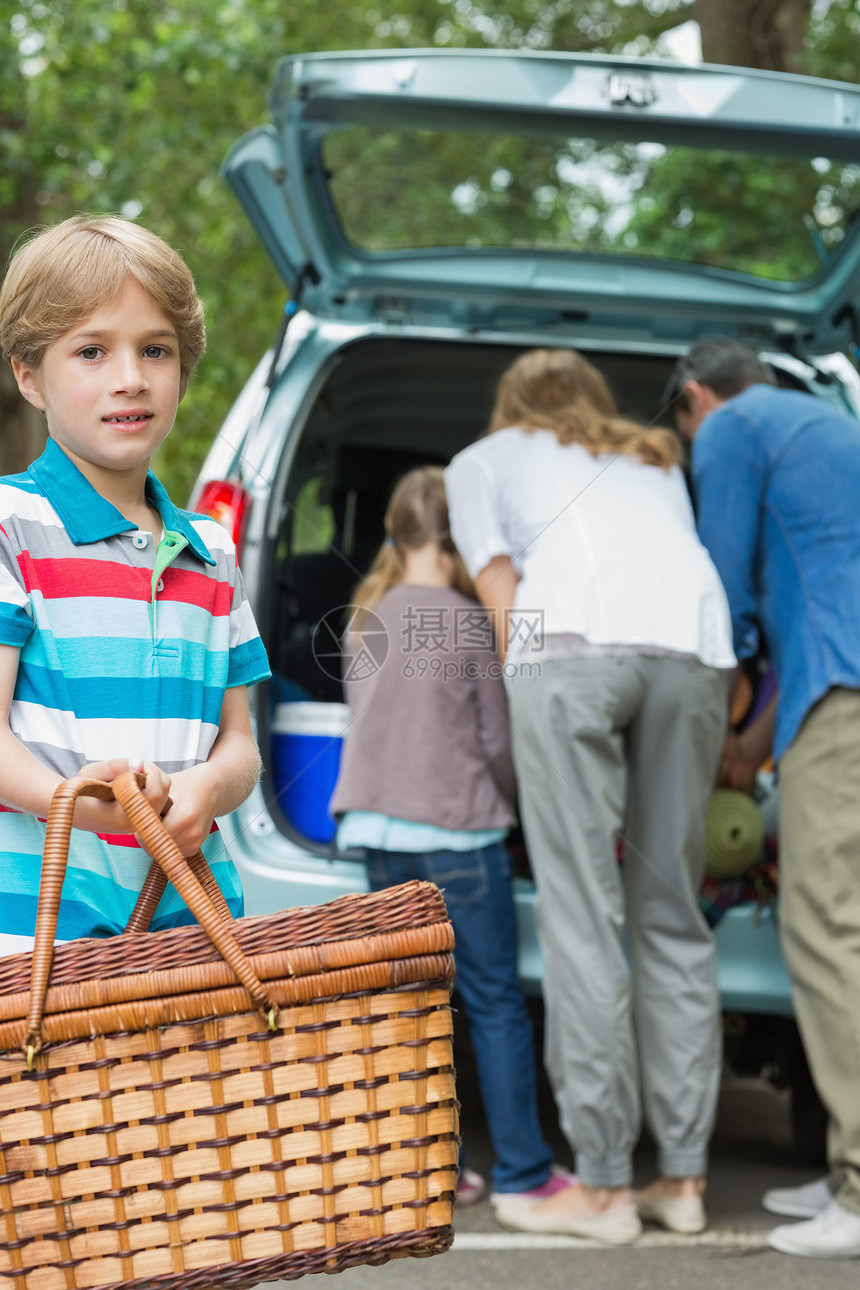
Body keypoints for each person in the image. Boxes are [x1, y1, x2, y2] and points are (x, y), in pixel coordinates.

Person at [444, 348, 736, 1244]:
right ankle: (681, 1183)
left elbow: (506, 608)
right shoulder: (655, 458)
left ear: (510, 401)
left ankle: (605, 1189)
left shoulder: (480, 462)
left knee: (582, 914)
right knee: (670, 912)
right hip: (694, 652)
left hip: (571, 647)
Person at [0, 215, 270, 950]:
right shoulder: (12, 524)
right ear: (29, 375)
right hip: (38, 932)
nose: (131, 377)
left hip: (193, 925)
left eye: (156, 349)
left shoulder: (212, 549)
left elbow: (240, 743)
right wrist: (82, 807)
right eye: (91, 350)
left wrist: (207, 790)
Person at [330, 465, 572, 1222]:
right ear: (463, 537)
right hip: (458, 837)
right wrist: (524, 805)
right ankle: (525, 1171)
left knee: (411, 1005)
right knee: (495, 1002)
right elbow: (498, 742)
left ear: (394, 534)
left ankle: (439, 1172)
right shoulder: (472, 624)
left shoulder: (363, 618)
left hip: (374, 832)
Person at [667, 336, 860, 1261]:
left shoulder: (733, 428)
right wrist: (756, 739)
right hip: (835, 687)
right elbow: (813, 601)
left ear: (696, 398)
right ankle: (844, 1165)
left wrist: (705, 725)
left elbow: (723, 583)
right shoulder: (824, 422)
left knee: (824, 925)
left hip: (846, 695)